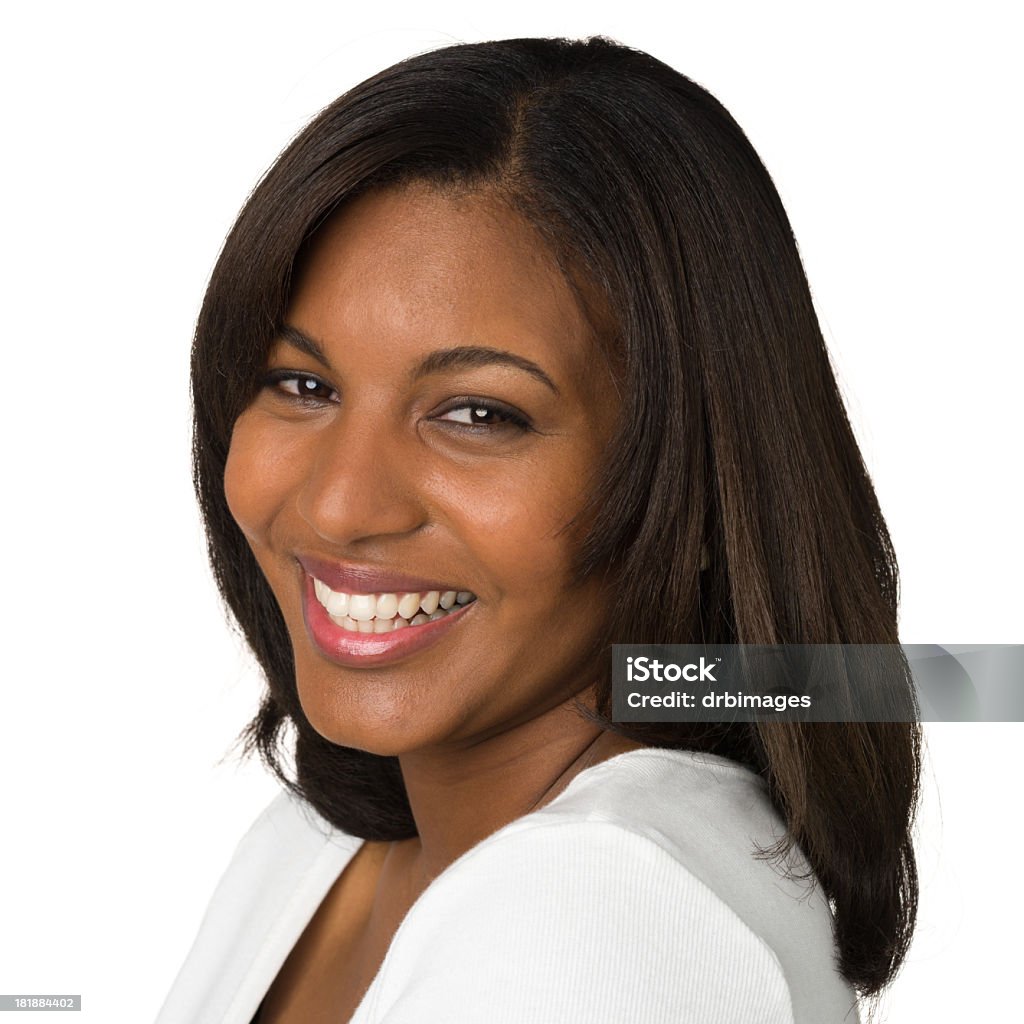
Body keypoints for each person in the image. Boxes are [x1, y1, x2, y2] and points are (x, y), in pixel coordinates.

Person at [156, 36, 920, 1024]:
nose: (341, 504)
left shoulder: (589, 915)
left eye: (478, 413)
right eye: (303, 385)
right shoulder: (318, 841)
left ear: (686, 485)